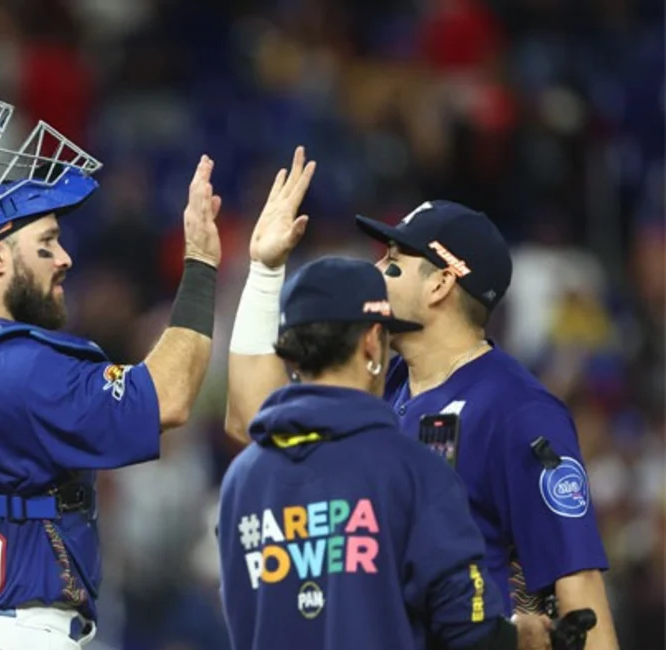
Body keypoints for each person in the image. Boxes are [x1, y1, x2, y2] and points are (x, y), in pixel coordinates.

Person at [0, 94, 220, 649]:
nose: (65, 258)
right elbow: (168, 397)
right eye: (46, 242)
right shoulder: (27, 367)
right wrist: (201, 264)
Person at [223, 147, 619, 649]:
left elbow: (578, 584)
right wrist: (264, 271)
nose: (376, 269)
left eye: (393, 261)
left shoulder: (517, 411)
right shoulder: (376, 385)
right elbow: (252, 421)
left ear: (441, 284)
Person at [218, 255, 558, 650]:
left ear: (291, 354)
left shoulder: (240, 481)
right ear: (370, 342)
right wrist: (524, 636)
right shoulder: (414, 470)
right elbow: (471, 631)